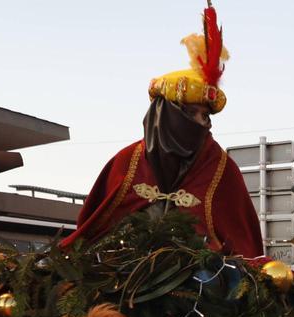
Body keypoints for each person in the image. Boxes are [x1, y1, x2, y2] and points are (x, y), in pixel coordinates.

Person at [62, 7, 263, 258]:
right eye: (191, 114)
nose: (201, 124)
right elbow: (92, 235)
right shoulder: (127, 161)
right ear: (165, 114)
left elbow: (243, 247)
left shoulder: (223, 169)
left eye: (206, 116)